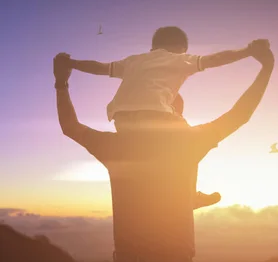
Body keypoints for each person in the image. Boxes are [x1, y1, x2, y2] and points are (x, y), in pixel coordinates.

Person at [53, 42, 274, 262]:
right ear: (172, 112)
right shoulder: (189, 143)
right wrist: (265, 69)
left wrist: (61, 84)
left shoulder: (117, 145)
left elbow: (70, 126)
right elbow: (240, 114)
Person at [62, 26, 266, 205]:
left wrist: (71, 64)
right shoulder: (179, 59)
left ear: (154, 46)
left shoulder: (133, 61)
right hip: (155, 117)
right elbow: (215, 59)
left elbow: (99, 68)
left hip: (122, 120)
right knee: (185, 132)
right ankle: (191, 195)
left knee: (177, 112)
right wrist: (248, 51)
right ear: (180, 48)